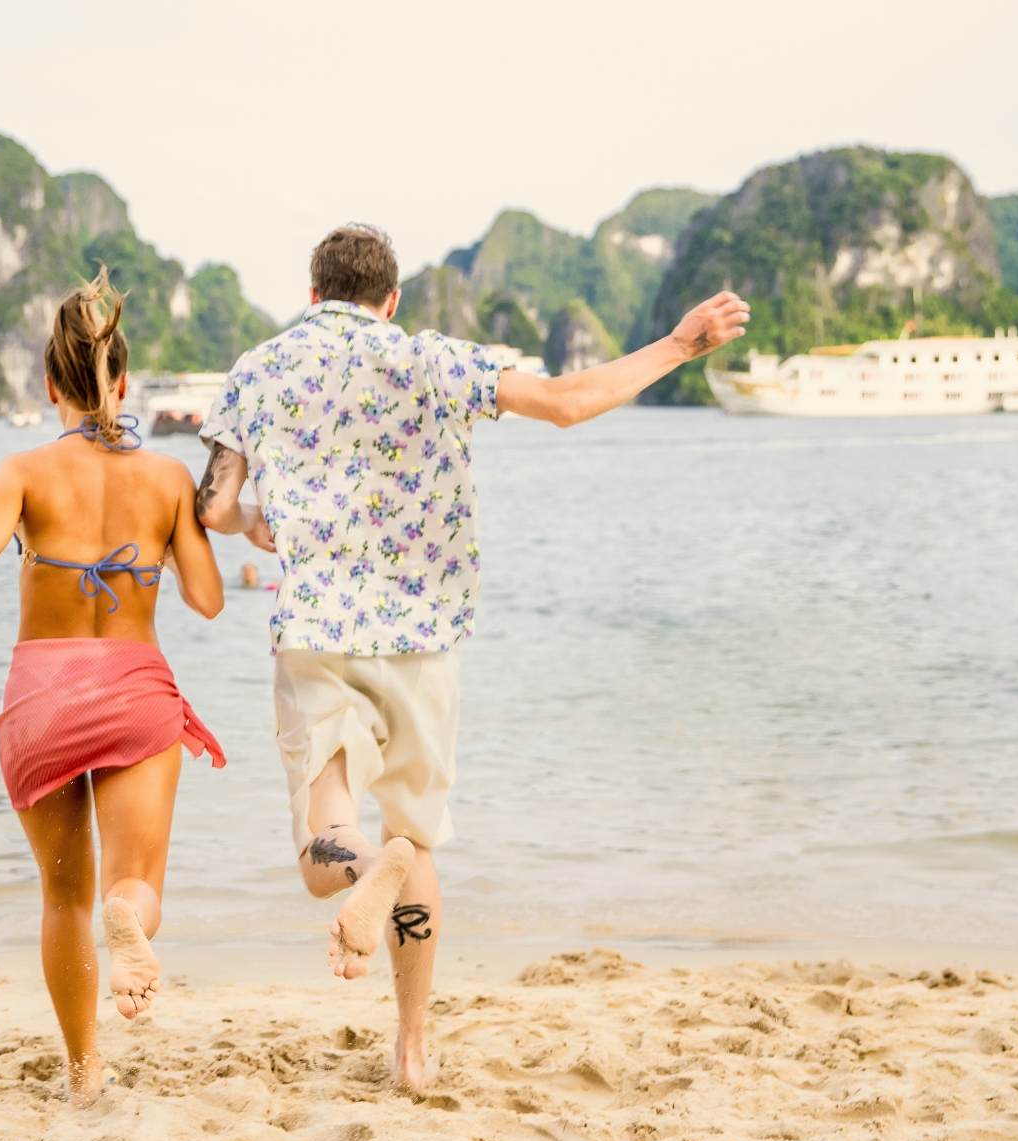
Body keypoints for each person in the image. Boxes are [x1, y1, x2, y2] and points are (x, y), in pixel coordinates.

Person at [194, 225, 749, 1091]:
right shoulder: (430, 358)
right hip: (425, 637)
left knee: (324, 837)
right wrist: (681, 342)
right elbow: (567, 401)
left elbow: (217, 506)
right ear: (390, 300)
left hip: (315, 633)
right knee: (412, 838)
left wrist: (256, 521)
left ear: (312, 296)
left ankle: (369, 869)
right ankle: (413, 1049)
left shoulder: (256, 369)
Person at [0, 269, 250, 1105]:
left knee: (64, 896)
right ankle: (129, 918)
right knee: (132, 881)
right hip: (135, 690)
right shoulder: (169, 477)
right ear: (123, 381)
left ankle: (83, 1076)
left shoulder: (21, 471)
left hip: (42, 700)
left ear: (51, 384)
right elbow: (208, 602)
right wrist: (202, 511)